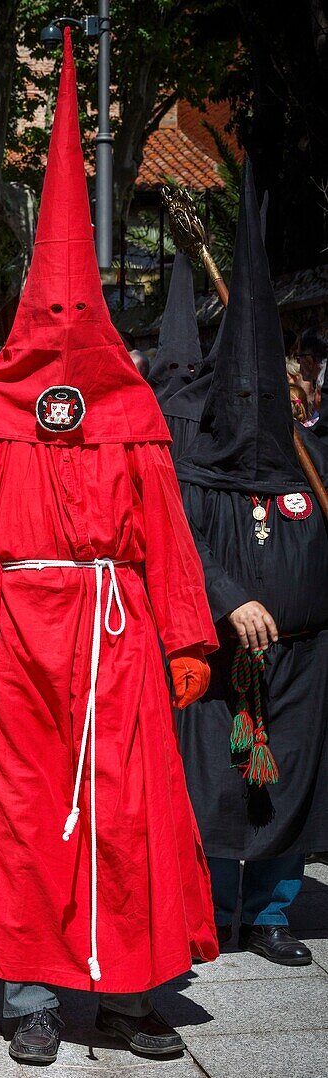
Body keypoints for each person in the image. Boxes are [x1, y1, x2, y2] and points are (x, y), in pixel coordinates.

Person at [0, 35, 218, 1067]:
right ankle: (30, 988)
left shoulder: (133, 409)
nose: (69, 318)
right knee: (21, 814)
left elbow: (165, 534)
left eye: (84, 306)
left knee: (126, 812)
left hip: (114, 644)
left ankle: (127, 989)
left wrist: (184, 637)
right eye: (53, 303)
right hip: (8, 646)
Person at [175, 163, 328, 967]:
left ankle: (271, 912)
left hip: (303, 660)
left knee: (290, 787)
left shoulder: (311, 467)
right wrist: (230, 599)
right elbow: (179, 547)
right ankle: (209, 906)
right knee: (216, 787)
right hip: (220, 661)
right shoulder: (192, 473)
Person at [147, 250, 203, 410]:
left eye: (191, 368)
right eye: (173, 366)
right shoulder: (148, 408)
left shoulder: (204, 409)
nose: (184, 373)